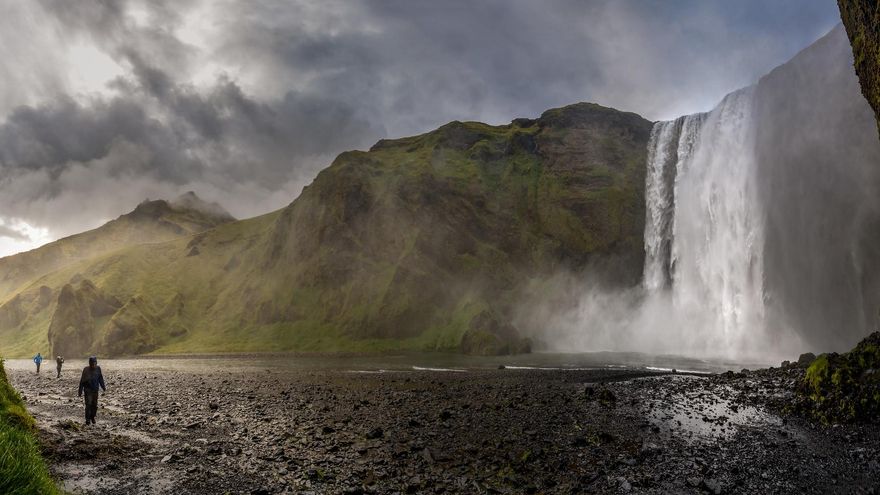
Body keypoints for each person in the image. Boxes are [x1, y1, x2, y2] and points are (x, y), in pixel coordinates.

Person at [78, 356, 106, 425]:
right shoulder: (86, 369)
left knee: (95, 405)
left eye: (94, 363)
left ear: (96, 363)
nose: (93, 365)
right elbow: (82, 381)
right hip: (87, 390)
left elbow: (100, 378)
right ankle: (87, 420)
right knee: (88, 405)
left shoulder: (98, 369)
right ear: (89, 363)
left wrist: (103, 387)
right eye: (92, 363)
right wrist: (80, 391)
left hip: (95, 390)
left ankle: (92, 417)